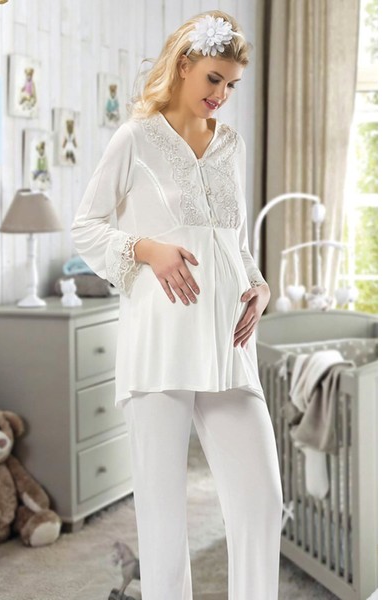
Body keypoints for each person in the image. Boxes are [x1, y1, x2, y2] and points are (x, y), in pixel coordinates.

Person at [71, 10, 283, 600]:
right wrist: (147, 249)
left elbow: (235, 242)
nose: (222, 95)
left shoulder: (232, 146)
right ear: (184, 65)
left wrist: (260, 286)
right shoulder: (136, 138)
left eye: (232, 84)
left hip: (229, 346)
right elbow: (85, 226)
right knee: (163, 525)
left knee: (262, 502)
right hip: (160, 343)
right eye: (214, 78)